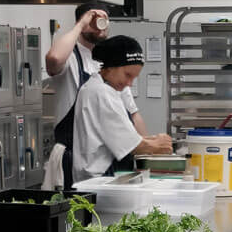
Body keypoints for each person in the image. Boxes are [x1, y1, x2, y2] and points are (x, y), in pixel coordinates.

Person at [45, 1, 148, 187]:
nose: (101, 25)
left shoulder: (111, 62)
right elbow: (54, 58)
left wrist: (144, 157)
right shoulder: (71, 58)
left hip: (109, 162)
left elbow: (132, 113)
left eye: (105, 20)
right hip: (76, 160)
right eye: (94, 19)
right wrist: (81, 24)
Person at [72, 35, 172, 182]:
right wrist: (157, 144)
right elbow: (132, 145)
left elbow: (118, 138)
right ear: (111, 66)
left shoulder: (95, 88)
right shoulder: (102, 93)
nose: (130, 83)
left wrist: (151, 140)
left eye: (134, 78)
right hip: (101, 179)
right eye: (127, 75)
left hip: (98, 178)